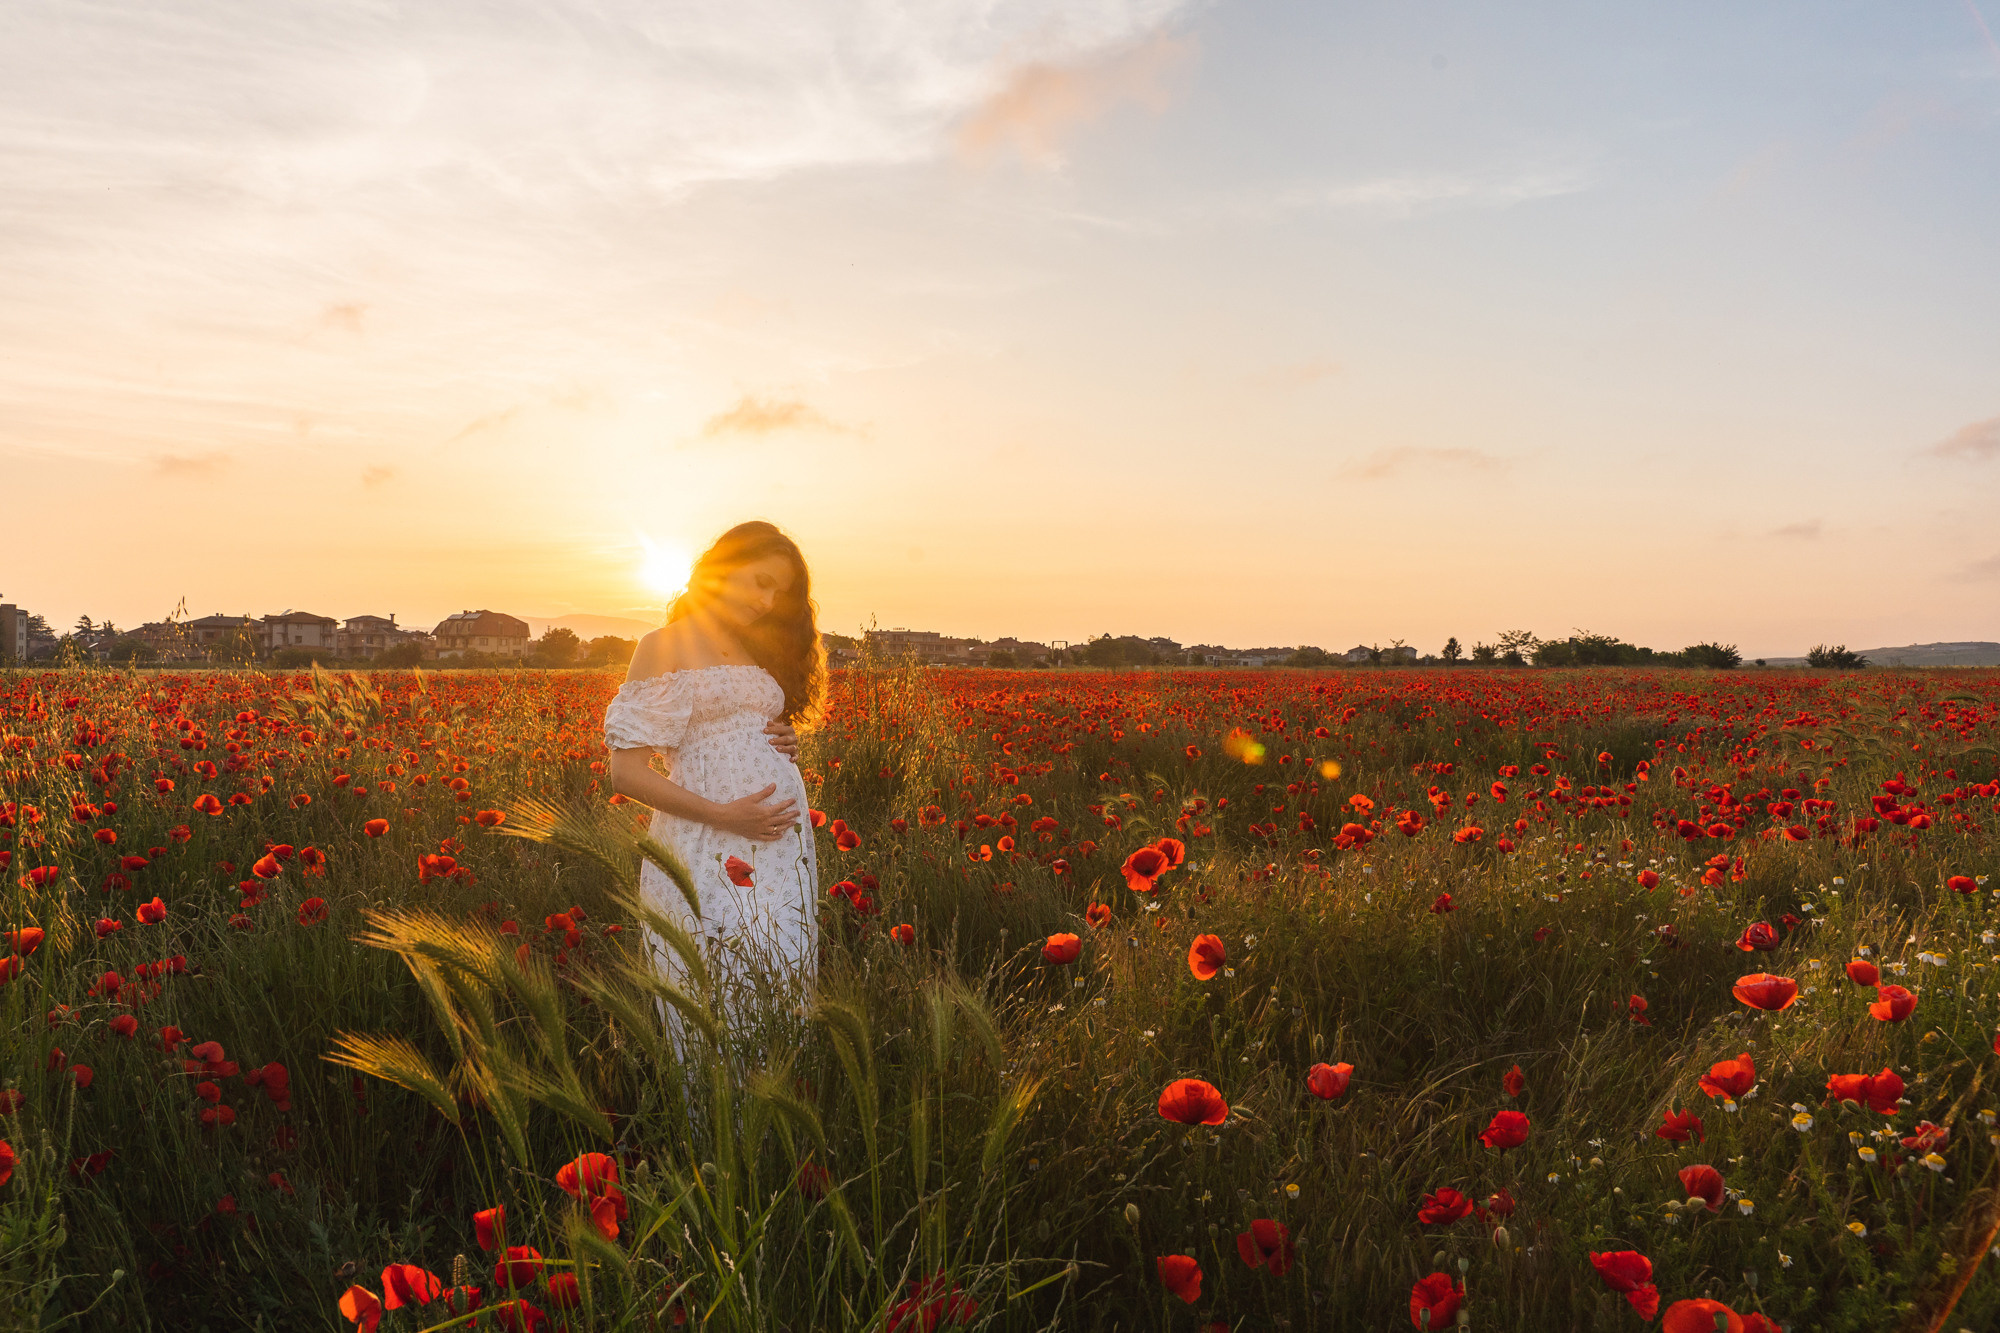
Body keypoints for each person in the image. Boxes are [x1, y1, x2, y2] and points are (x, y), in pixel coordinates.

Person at [602, 520, 824, 1046]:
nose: (768, 600)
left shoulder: (761, 648)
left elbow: (744, 730)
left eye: (780, 591)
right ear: (722, 568)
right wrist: (726, 815)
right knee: (717, 989)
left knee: (779, 977)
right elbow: (625, 772)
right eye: (759, 580)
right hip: (705, 842)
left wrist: (786, 741)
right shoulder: (663, 644)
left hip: (781, 849)